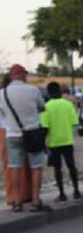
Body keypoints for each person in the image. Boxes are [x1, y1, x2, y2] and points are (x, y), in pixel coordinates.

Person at [0, 64, 50, 213]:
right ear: (23, 75)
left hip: (12, 134)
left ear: (11, 75)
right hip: (32, 133)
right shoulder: (33, 90)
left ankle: (17, 201)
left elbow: (2, 115)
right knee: (36, 167)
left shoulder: (2, 93)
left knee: (14, 167)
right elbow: (42, 107)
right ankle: (35, 201)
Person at [41, 81, 81, 202]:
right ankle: (76, 191)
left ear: (48, 93)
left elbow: (44, 127)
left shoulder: (46, 107)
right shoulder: (68, 105)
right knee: (71, 166)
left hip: (54, 142)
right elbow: (75, 122)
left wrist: (43, 143)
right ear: (59, 91)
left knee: (57, 168)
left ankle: (62, 194)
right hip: (68, 140)